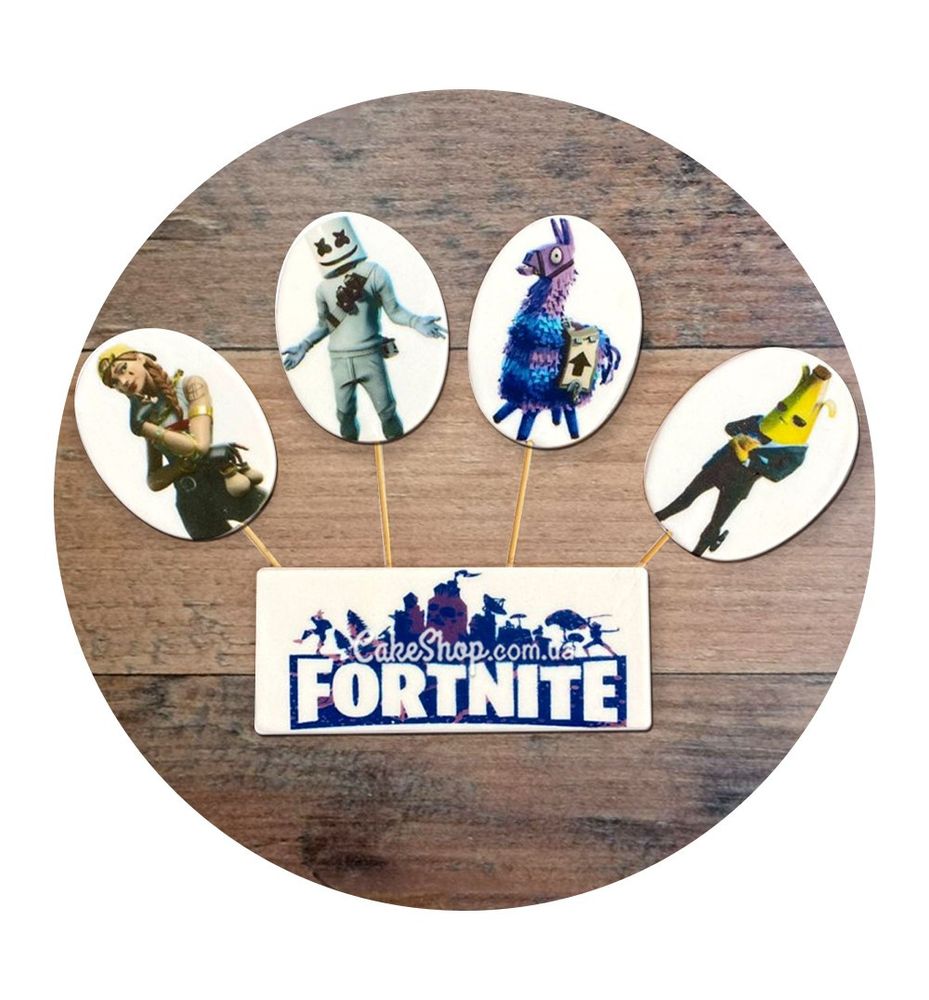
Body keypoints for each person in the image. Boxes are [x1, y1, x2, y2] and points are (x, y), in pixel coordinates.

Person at [281, 215, 446, 441]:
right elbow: (325, 325)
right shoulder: (323, 289)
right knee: (344, 416)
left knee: (387, 413)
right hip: (339, 360)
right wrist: (304, 345)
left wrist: (416, 321)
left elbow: (394, 311)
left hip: (369, 356)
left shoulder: (374, 273)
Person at [98, 344, 267, 540]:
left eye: (122, 370)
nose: (124, 382)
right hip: (191, 504)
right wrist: (181, 466)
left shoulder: (190, 386)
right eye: (115, 383)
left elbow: (199, 446)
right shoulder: (147, 416)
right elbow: (154, 480)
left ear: (140, 358)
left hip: (224, 482)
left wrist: (145, 428)